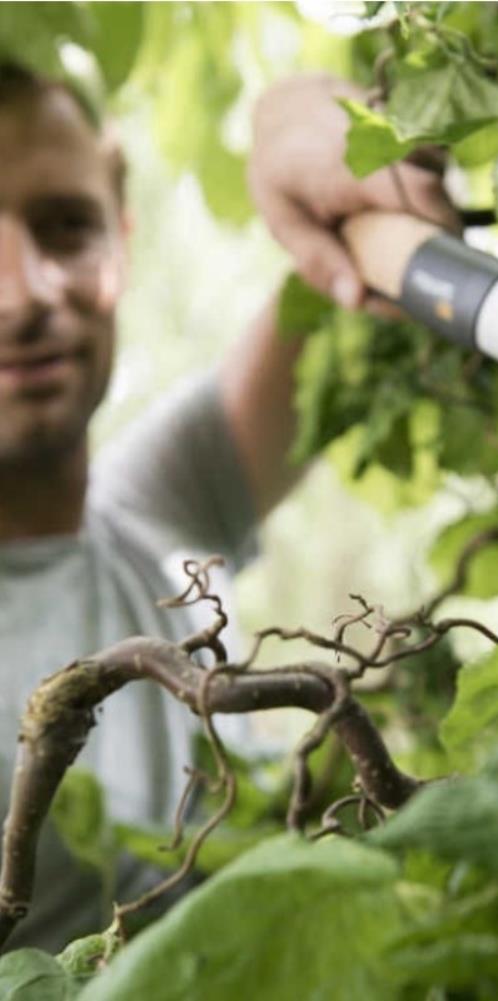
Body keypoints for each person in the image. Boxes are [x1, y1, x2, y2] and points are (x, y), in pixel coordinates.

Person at [0, 65, 456, 950]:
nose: (25, 295)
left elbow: (351, 243)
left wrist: (297, 114)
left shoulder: (151, 508)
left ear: (123, 242)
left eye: (66, 227)